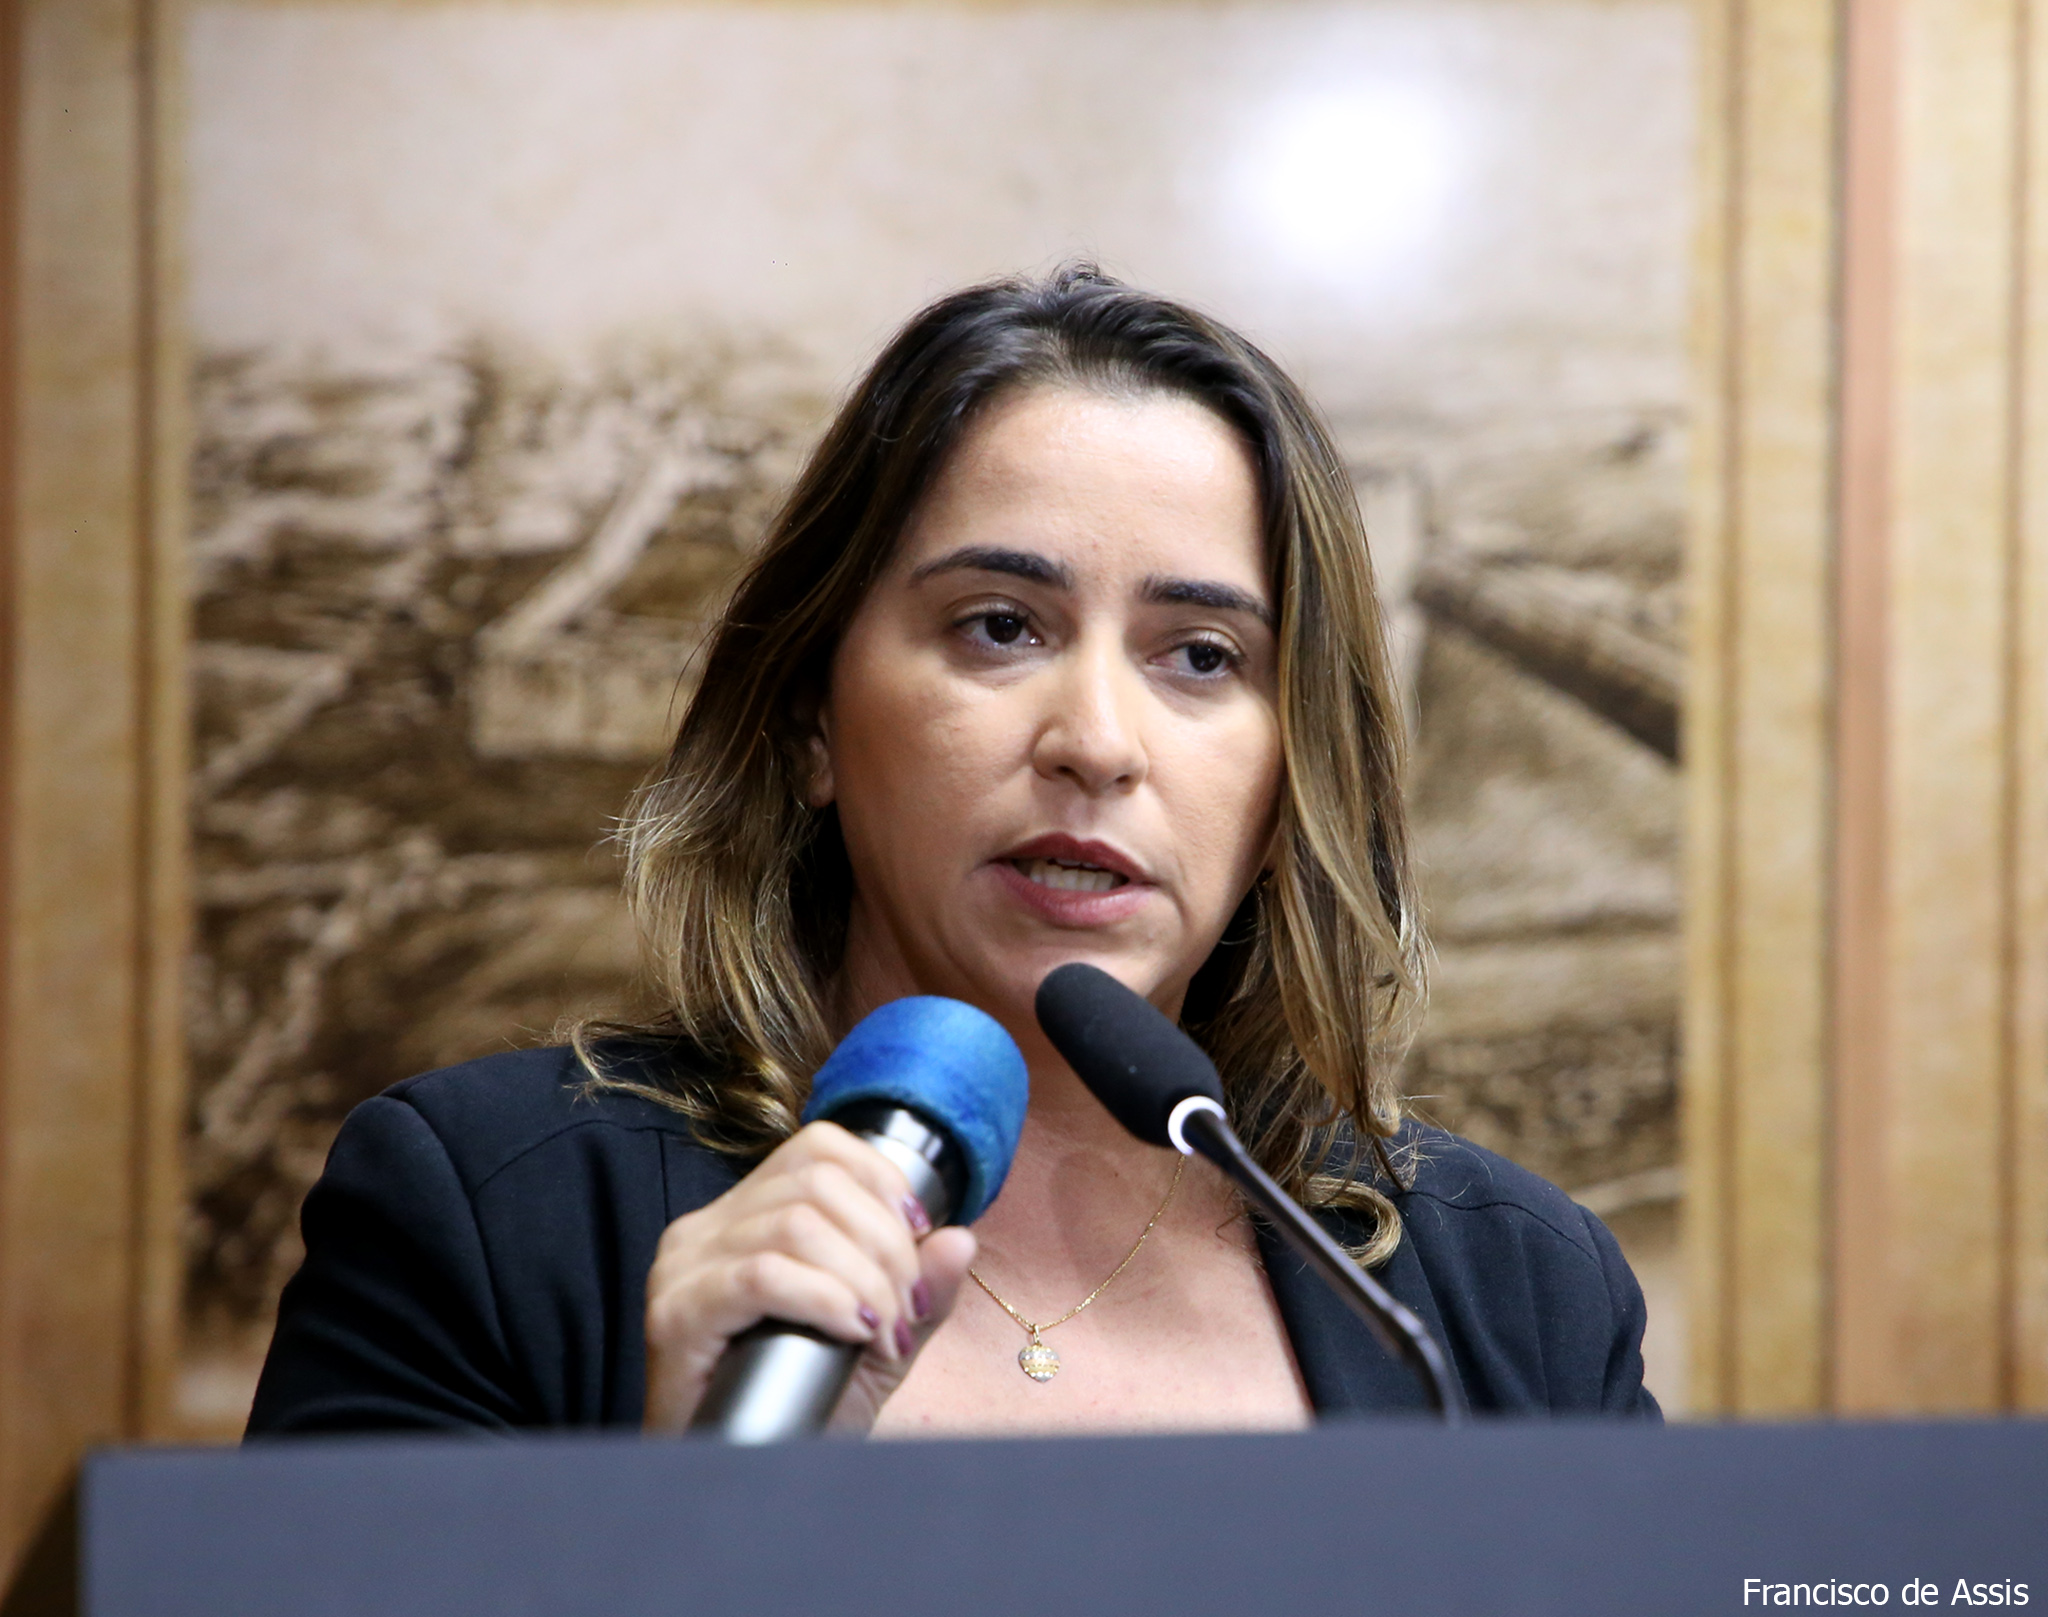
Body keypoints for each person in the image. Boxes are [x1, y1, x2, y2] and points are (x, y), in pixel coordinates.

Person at [246, 266, 1659, 1437]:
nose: (1096, 741)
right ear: (811, 716)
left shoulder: (1517, 1295)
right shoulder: (491, 1218)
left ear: (1295, 774)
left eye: (1202, 655)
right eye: (1000, 626)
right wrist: (681, 1506)